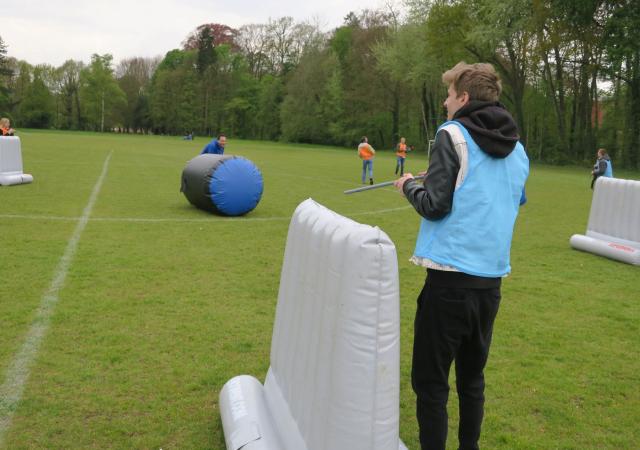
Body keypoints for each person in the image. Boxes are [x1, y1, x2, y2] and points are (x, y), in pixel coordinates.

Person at [394, 62, 529, 450]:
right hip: (490, 285)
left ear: (464, 98)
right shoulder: (518, 148)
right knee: (472, 380)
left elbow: (435, 206)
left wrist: (408, 186)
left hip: (449, 281)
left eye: (450, 94)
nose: (445, 101)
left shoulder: (451, 134)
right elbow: (510, 196)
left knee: (431, 383)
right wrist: (443, 175)